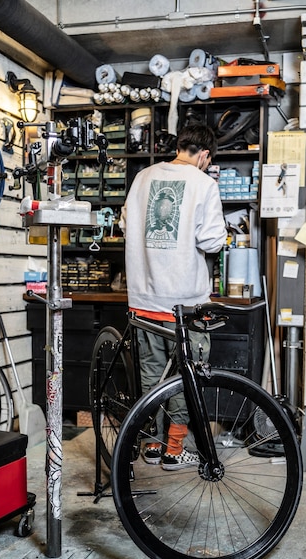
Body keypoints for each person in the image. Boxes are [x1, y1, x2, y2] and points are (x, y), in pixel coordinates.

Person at [122, 123, 227, 470]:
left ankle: (151, 445)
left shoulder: (142, 178)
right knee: (188, 374)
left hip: (144, 296)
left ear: (181, 146)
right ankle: (174, 448)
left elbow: (125, 225)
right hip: (185, 301)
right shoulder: (205, 184)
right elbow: (211, 241)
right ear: (205, 155)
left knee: (152, 373)